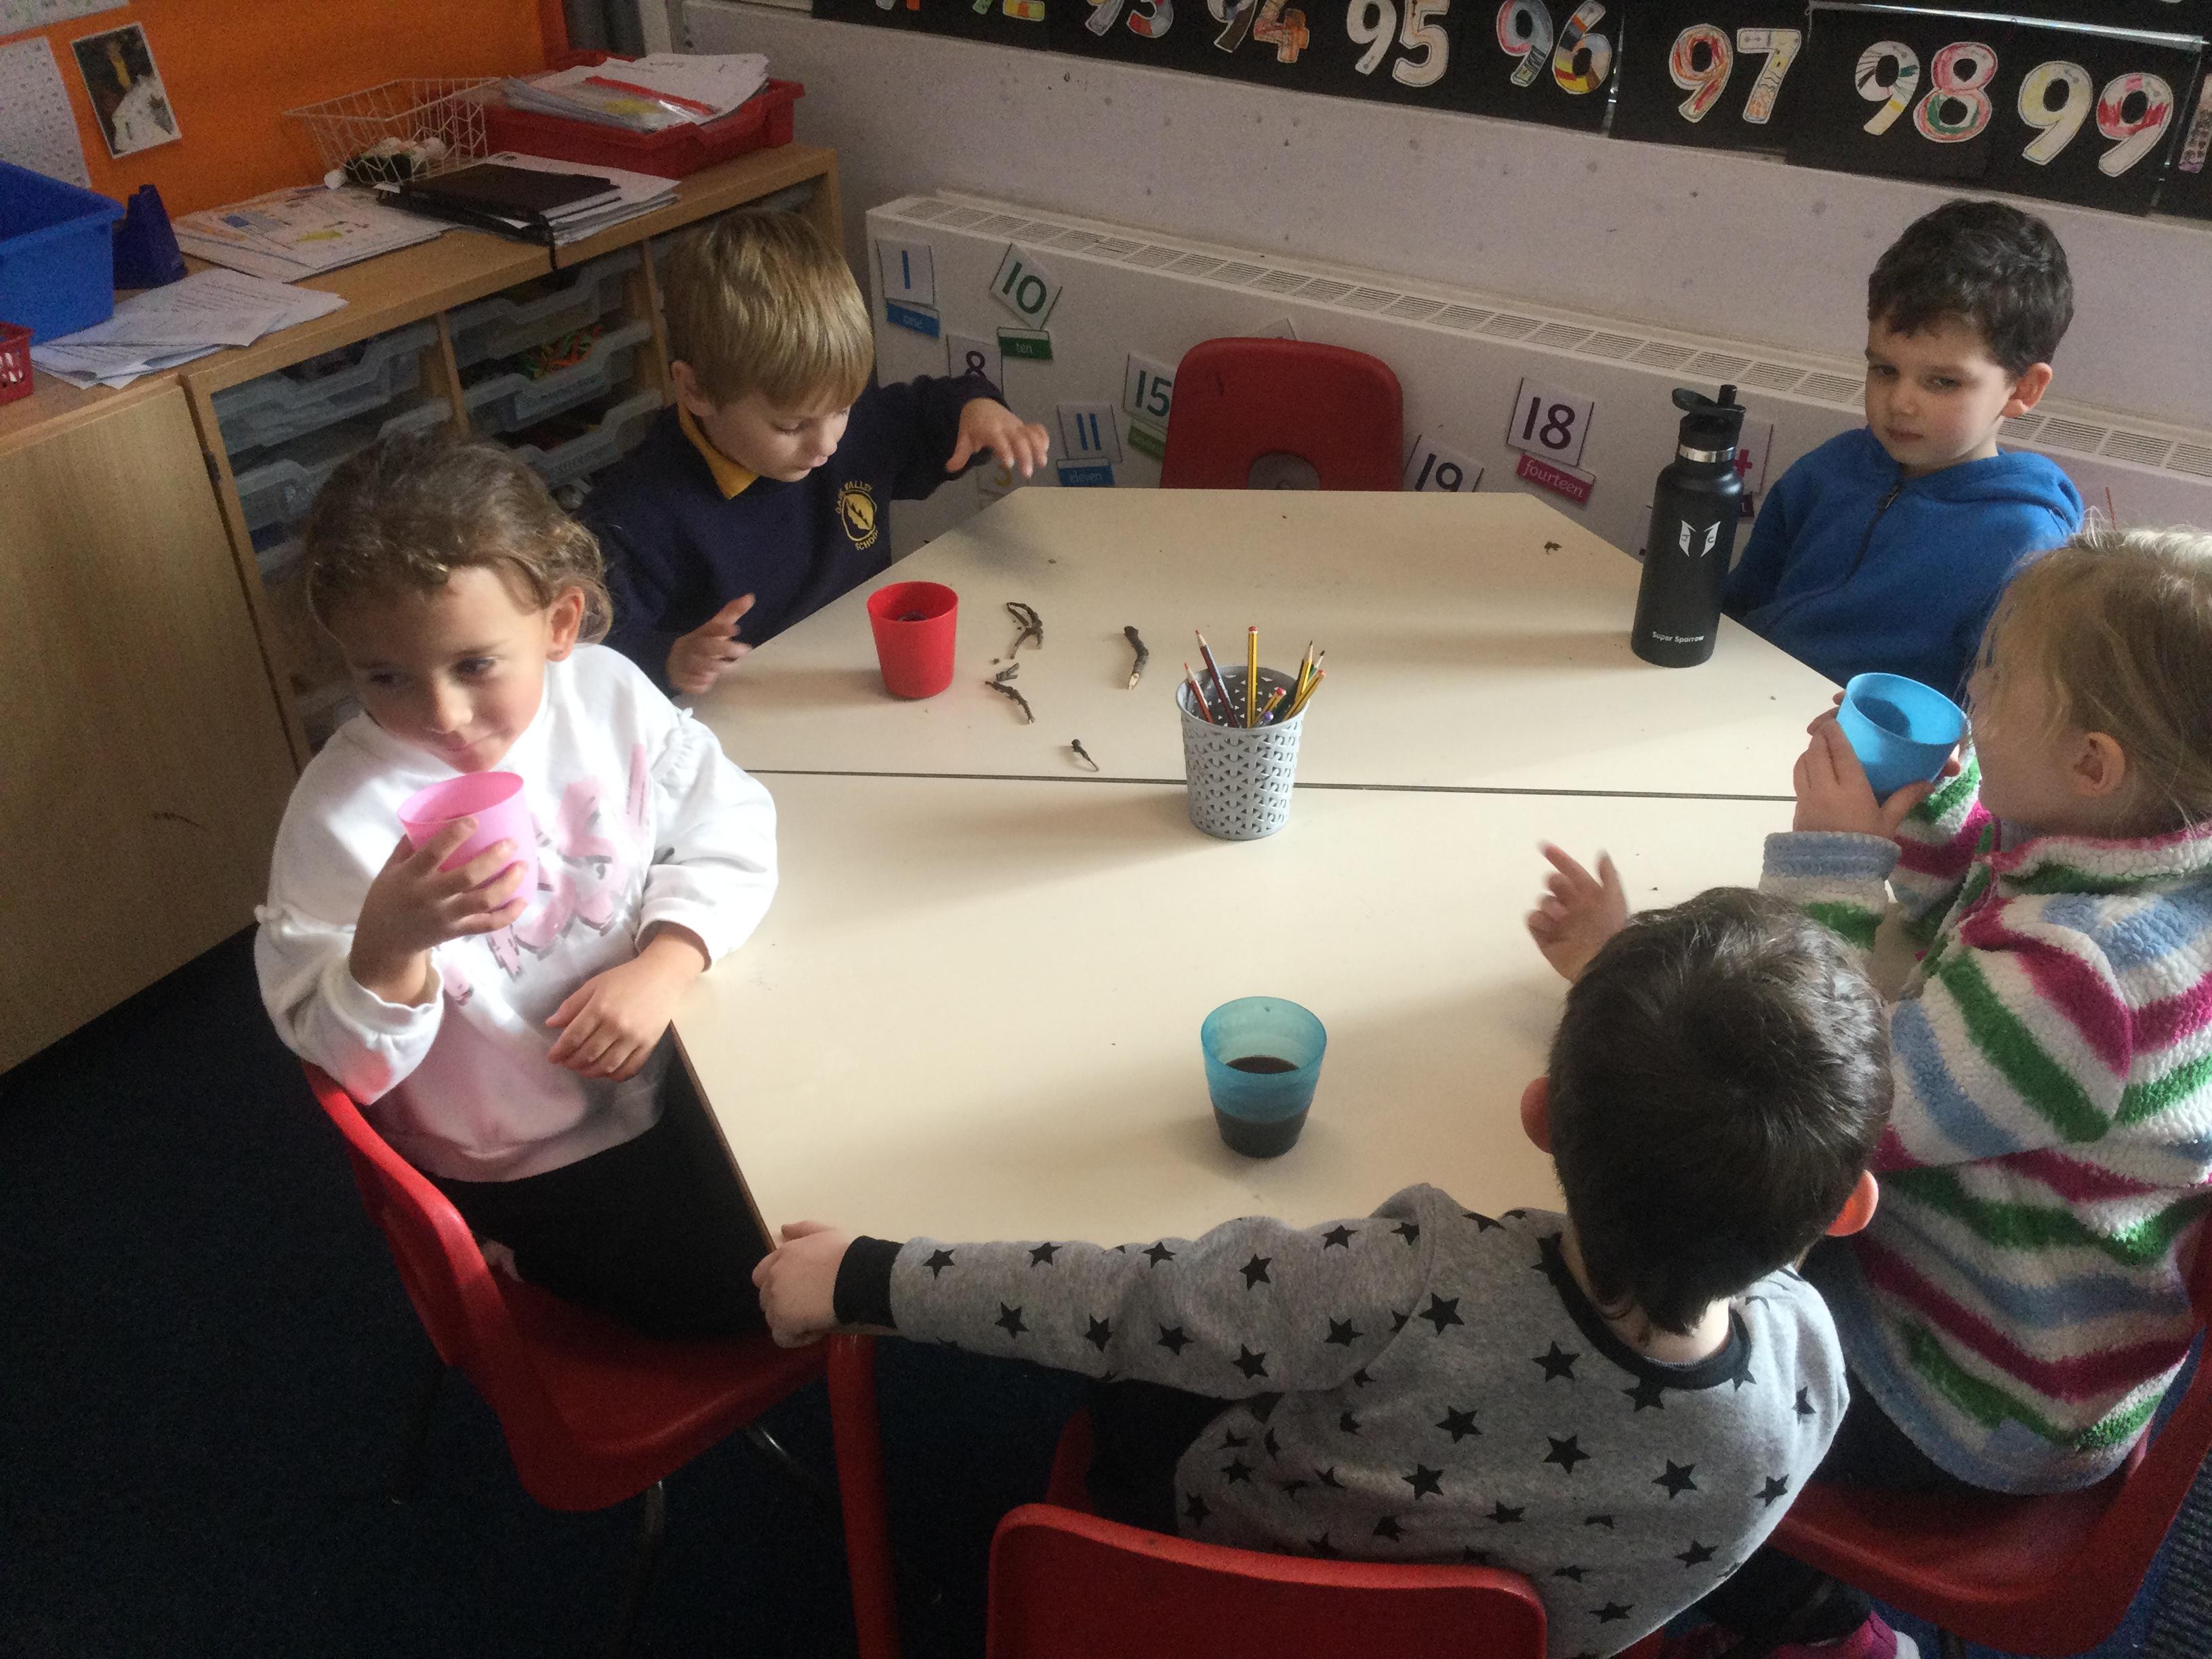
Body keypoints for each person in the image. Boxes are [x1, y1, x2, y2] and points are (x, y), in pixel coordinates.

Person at [755, 889, 1893, 1658]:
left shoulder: (1411, 1280)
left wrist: (861, 1276)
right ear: (1847, 1207)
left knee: (1146, 1349)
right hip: (1514, 1635)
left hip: (1232, 1557)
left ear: (1540, 1116)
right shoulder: (1804, 1386)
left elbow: (1119, 1299)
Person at [1534, 527, 2212, 1658]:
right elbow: (1989, 885)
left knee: (1635, 1383)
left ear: (2091, 765)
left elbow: (1820, 1103)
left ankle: (1816, 1626)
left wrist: (1832, 869)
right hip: (1997, 1297)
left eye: (1996, 678)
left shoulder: (2080, 982)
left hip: (1962, 1391)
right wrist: (1933, 808)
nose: (1970, 690)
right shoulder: (2135, 862)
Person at [256, 432, 779, 1339]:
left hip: (674, 1066)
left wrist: (667, 961)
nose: (444, 716)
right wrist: (387, 948)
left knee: (815, 1204)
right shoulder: (342, 817)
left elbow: (728, 819)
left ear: (559, 625)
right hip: (523, 1157)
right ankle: (513, 1255)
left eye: (474, 665)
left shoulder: (605, 694)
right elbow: (347, 1072)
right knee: (756, 1297)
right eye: (385, 677)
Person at [581, 211, 1052, 695]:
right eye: (791, 425)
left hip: (860, 681)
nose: (827, 444)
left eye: (843, 408)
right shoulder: (636, 517)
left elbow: (926, 415)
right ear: (697, 390)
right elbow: (585, 653)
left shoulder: (845, 431)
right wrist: (668, 659)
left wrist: (977, 411)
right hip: (744, 717)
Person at [1721, 198, 2083, 699]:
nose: (1900, 403)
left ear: (2023, 389)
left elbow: (1992, 719)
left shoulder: (2025, 543)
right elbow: (1737, 607)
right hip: (1737, 695)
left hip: (1866, 743)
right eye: (1885, 370)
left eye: (1942, 382)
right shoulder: (1829, 468)